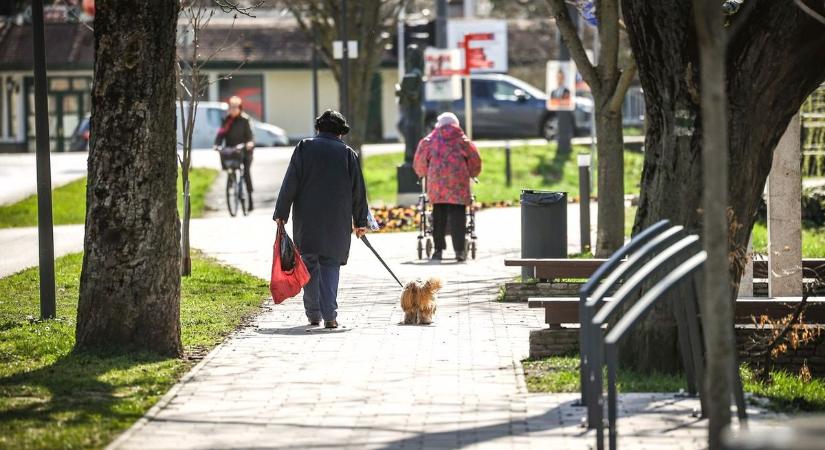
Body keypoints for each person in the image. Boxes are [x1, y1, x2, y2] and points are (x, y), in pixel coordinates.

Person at [274, 110, 369, 329]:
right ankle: (330, 316)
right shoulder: (347, 154)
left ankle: (313, 314)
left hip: (307, 221)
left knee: (309, 265)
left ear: (318, 129)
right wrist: (360, 221)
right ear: (340, 133)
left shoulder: (304, 148)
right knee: (330, 266)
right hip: (337, 221)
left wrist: (281, 214)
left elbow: (290, 182)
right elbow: (358, 192)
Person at [413, 112, 482, 262]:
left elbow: (419, 162)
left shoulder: (429, 141)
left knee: (438, 215)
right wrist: (473, 173)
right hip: (459, 184)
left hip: (437, 185)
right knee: (458, 215)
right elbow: (475, 161)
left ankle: (438, 250)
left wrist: (422, 173)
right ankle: (459, 251)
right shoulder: (463, 141)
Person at [214, 96, 255, 210]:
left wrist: (249, 144)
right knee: (228, 165)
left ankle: (250, 198)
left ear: (240, 108)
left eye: (235, 107)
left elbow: (250, 136)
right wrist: (216, 144)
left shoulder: (245, 120)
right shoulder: (227, 120)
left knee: (246, 172)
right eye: (231, 107)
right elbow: (220, 134)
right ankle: (231, 182)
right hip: (231, 151)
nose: (232, 109)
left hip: (244, 151)